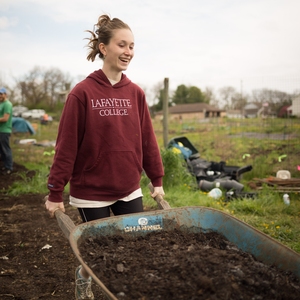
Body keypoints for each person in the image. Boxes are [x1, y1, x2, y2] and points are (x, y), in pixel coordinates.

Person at [44, 14, 165, 300]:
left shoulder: (135, 93)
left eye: (132, 46)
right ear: (103, 48)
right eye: (122, 45)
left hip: (128, 188)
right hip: (92, 192)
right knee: (99, 253)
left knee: (133, 248)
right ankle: (83, 276)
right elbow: (66, 146)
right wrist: (54, 192)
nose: (128, 52)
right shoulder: (82, 93)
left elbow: (148, 139)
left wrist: (156, 178)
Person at [0, 87, 13, 175]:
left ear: (5, 94)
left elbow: (5, 118)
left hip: (4, 130)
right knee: (1, 149)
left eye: (1, 94)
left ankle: (9, 167)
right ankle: (5, 165)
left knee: (5, 149)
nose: (0, 96)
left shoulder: (7, 104)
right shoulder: (1, 103)